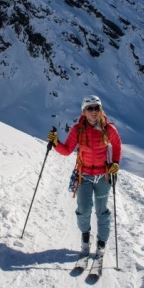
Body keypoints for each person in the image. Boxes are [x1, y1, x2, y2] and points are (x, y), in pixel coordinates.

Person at [47, 95, 122, 259]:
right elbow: (67, 150)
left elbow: (117, 145)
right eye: (90, 108)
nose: (93, 111)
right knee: (83, 210)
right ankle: (86, 237)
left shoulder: (108, 129)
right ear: (84, 111)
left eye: (96, 108)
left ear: (100, 110)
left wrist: (116, 163)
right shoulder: (78, 130)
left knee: (102, 211)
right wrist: (55, 143)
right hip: (84, 175)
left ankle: (101, 243)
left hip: (103, 176)